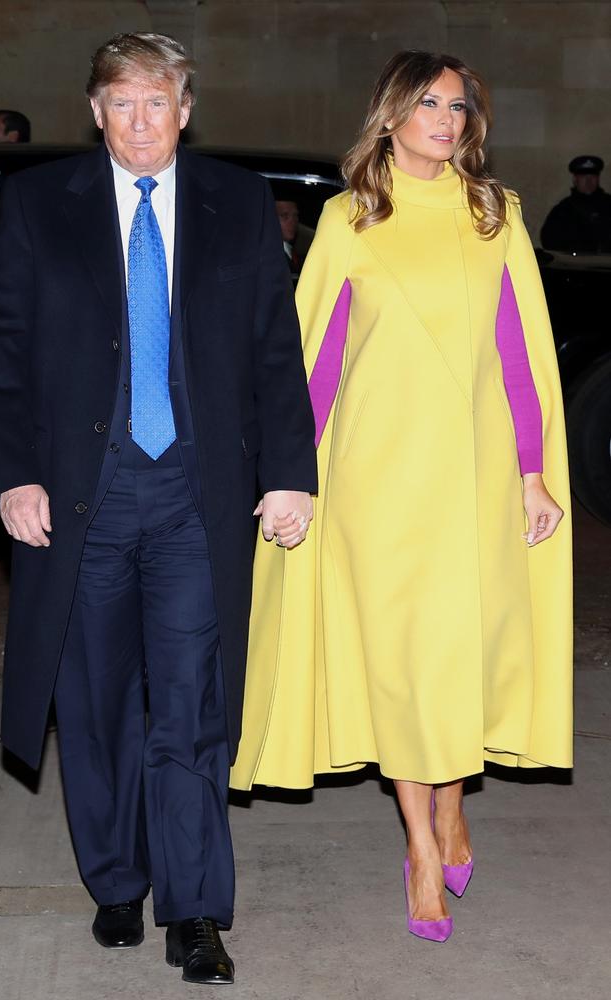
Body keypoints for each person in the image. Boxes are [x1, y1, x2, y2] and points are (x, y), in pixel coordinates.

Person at [0, 32, 316, 985]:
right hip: (82, 495)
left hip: (194, 496)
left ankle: (196, 907)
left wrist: (289, 473)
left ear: (185, 109)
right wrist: (13, 475)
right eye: (121, 104)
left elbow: (272, 350)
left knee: (191, 710)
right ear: (94, 111)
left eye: (157, 103)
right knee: (92, 705)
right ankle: (118, 878)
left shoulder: (239, 203)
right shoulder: (40, 205)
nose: (139, 122)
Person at [231, 50, 572, 944]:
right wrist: (293, 476)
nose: (447, 119)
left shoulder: (496, 213)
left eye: (459, 106)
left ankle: (450, 807)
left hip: (474, 476)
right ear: (390, 115)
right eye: (429, 103)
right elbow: (320, 364)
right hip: (376, 481)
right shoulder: (350, 218)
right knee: (404, 664)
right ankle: (422, 844)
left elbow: (519, 356)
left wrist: (533, 474)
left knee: (453, 656)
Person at [541, 155, 611, 253]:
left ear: (598, 178)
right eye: (583, 177)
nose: (588, 181)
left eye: (592, 177)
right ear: (575, 179)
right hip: (574, 266)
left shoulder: (608, 205)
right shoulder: (563, 210)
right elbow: (549, 241)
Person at [276, 198, 304, 275]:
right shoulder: (272, 258)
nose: (293, 222)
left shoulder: (295, 253)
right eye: (284, 216)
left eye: (295, 215)